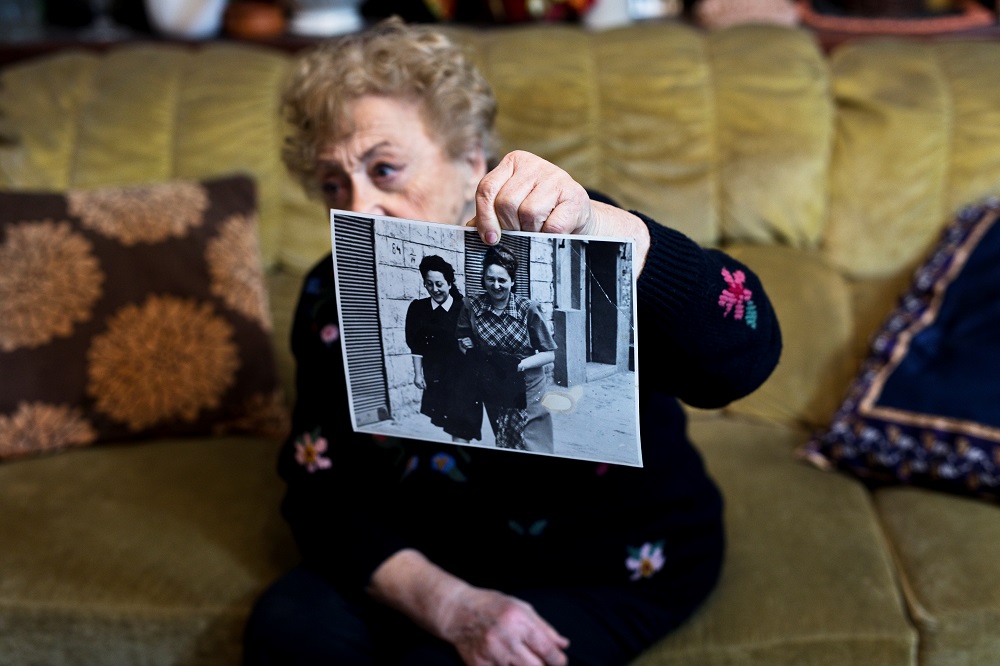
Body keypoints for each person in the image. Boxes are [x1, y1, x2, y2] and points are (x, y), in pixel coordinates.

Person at [243, 16, 782, 666]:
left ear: (471, 158)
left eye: (384, 169)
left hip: (607, 564)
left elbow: (743, 360)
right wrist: (447, 603)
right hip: (430, 558)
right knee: (288, 628)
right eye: (334, 184)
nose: (356, 207)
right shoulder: (332, 288)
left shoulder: (578, 235)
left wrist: (612, 232)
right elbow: (321, 488)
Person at [456, 244, 557, 452]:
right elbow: (463, 339)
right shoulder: (471, 307)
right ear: (483, 279)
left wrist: (518, 365)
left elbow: (549, 354)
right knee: (505, 437)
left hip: (529, 383)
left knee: (533, 442)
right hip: (495, 381)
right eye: (490, 279)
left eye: (502, 280)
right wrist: (467, 346)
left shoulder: (528, 309)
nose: (496, 285)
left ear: (512, 280)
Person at [405, 254, 482, 443]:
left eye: (439, 284)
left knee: (461, 429)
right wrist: (418, 374)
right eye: (429, 284)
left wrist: (472, 343)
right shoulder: (418, 309)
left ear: (449, 283)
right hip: (438, 377)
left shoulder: (465, 308)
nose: (434, 289)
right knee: (451, 424)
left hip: (465, 377)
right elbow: (416, 345)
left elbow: (481, 339)